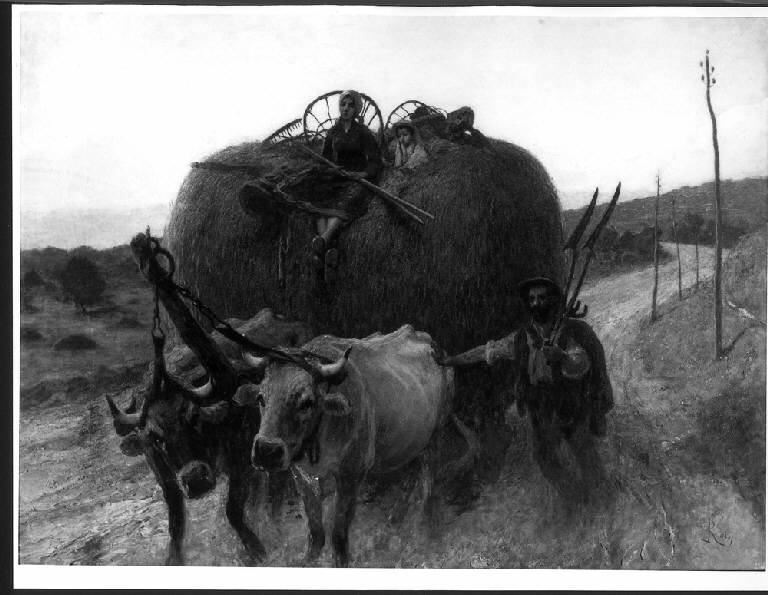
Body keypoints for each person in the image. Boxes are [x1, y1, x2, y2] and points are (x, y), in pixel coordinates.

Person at [439, 276, 613, 501]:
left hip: (572, 403)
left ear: (553, 300)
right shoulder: (522, 338)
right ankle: (576, 499)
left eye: (541, 298)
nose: (536, 304)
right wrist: (450, 360)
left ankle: (603, 500)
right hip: (541, 407)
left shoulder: (572, 331)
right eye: (531, 299)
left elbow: (581, 362)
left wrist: (561, 357)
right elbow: (485, 352)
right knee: (544, 456)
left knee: (584, 452)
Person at [313, 90, 383, 278]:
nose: (346, 109)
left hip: (357, 178)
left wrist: (362, 174)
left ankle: (323, 241)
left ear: (356, 109)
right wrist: (331, 170)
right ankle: (324, 248)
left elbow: (375, 160)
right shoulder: (333, 132)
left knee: (348, 200)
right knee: (321, 201)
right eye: (343, 105)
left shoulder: (363, 132)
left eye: (350, 105)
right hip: (337, 177)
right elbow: (324, 159)